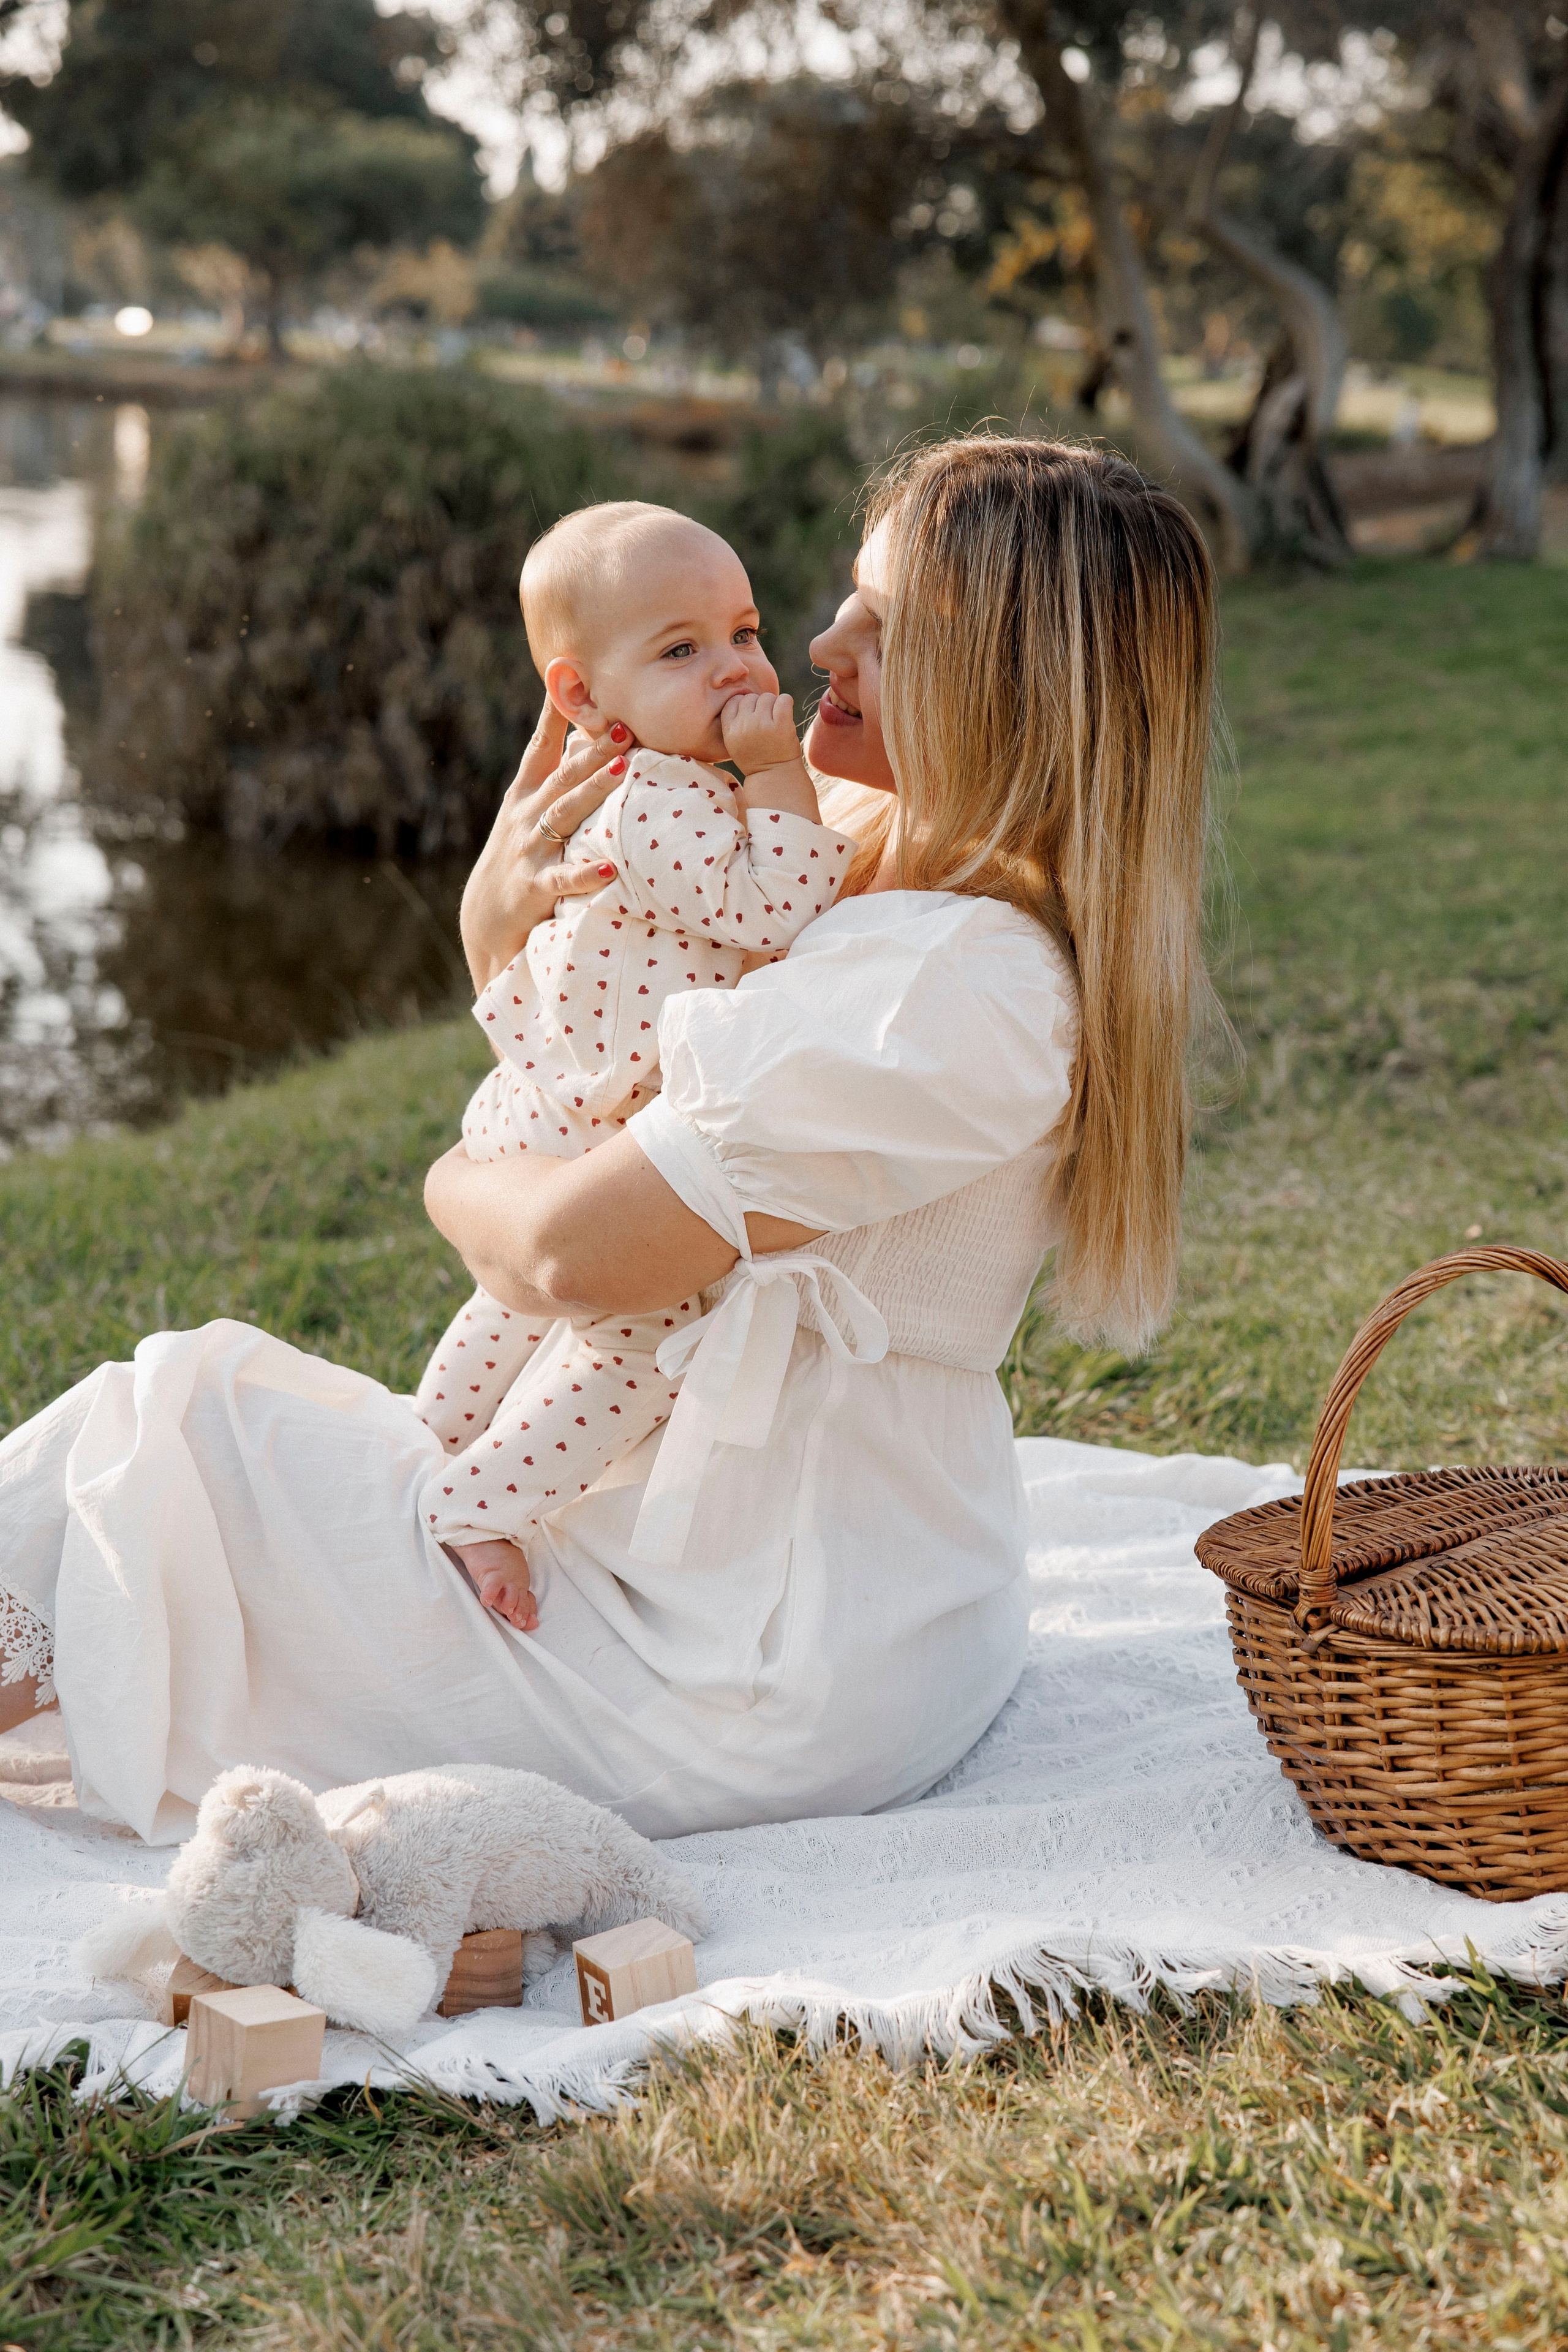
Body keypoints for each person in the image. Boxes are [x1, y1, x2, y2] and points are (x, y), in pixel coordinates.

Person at [0, 435, 1219, 1849]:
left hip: (741, 1659)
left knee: (177, 1423)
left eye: (879, 628)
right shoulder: (870, 873)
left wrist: (451, 1179)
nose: (818, 642)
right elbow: (611, 1084)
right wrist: (495, 936)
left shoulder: (954, 985)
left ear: (1008, 680)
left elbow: (577, 1256)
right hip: (809, 1593)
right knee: (215, 1450)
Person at [417, 500, 853, 1634]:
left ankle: (439, 1427)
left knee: (505, 1310)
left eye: (745, 631)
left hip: (552, 1101)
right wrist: (773, 768)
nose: (735, 669)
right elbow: (780, 902)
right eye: (680, 650)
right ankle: (480, 1499)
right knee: (639, 1337)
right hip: (593, 1114)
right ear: (580, 695)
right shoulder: (664, 798)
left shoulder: (647, 787)